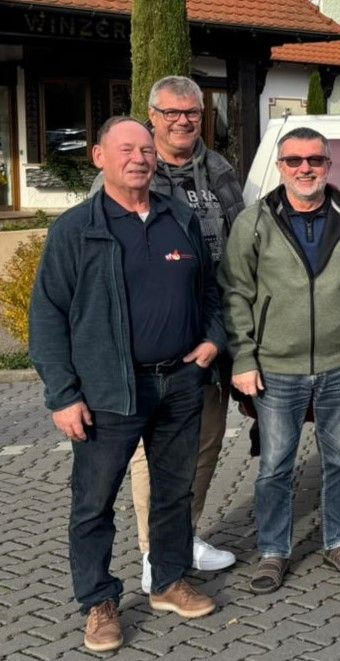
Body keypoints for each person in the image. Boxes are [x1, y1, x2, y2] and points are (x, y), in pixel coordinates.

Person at [30, 116, 223, 652]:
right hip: (107, 391)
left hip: (180, 382)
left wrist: (212, 339)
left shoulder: (177, 217)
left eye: (146, 150)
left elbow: (209, 289)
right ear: (99, 157)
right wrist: (63, 395)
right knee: (94, 502)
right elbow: (46, 315)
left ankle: (168, 581)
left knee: (174, 491)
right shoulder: (77, 229)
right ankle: (98, 602)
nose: (139, 158)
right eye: (126, 149)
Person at [219, 127, 340, 591]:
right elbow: (235, 292)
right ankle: (273, 551)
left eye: (315, 160)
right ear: (281, 167)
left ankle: (339, 541)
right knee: (275, 465)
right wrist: (243, 358)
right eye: (294, 160)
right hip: (276, 367)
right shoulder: (254, 221)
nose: (305, 168)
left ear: (328, 166)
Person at [91, 75, 244, 591]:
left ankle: (184, 536)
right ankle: (153, 553)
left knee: (205, 443)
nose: (183, 121)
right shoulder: (132, 169)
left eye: (192, 113)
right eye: (172, 112)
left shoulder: (219, 170)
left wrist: (227, 332)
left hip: (210, 335)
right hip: (148, 346)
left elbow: (242, 243)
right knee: (150, 457)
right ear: (153, 116)